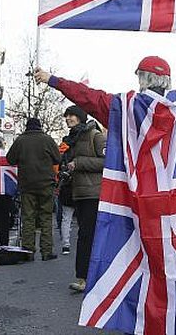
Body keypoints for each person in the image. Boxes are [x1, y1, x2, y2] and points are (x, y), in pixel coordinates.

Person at [34, 56, 176, 330]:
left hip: (133, 199)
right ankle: (175, 314)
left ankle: (137, 315)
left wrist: (53, 79)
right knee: (174, 260)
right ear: (167, 80)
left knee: (133, 257)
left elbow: (87, 97)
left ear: (142, 79)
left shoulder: (122, 106)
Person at [60, 105, 106, 293]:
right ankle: (86, 277)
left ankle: (85, 278)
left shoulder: (95, 135)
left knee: (88, 236)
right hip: (79, 192)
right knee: (85, 236)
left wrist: (78, 163)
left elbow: (108, 161)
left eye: (72, 115)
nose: (68, 119)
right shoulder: (72, 139)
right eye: (67, 116)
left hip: (94, 193)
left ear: (80, 117)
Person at [6, 117, 61, 261]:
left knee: (28, 217)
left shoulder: (20, 140)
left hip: (27, 184)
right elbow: (57, 159)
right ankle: (46, 251)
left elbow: (10, 159)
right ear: (40, 126)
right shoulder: (47, 139)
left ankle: (28, 251)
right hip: (46, 184)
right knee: (46, 217)